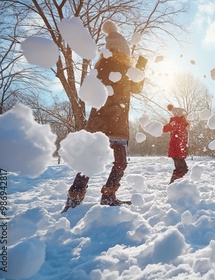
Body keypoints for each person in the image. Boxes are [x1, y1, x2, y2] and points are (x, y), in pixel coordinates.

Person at [61, 20, 145, 213]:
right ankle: (105, 196)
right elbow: (137, 87)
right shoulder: (118, 69)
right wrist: (139, 66)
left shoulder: (102, 68)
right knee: (119, 162)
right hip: (113, 123)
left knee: (92, 160)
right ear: (121, 51)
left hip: (102, 121)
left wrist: (137, 68)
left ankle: (76, 198)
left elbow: (133, 87)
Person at [163, 104, 190, 184]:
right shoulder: (177, 122)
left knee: (182, 169)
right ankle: (172, 185)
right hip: (177, 151)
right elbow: (164, 129)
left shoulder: (181, 123)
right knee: (182, 170)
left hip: (179, 151)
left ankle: (174, 185)